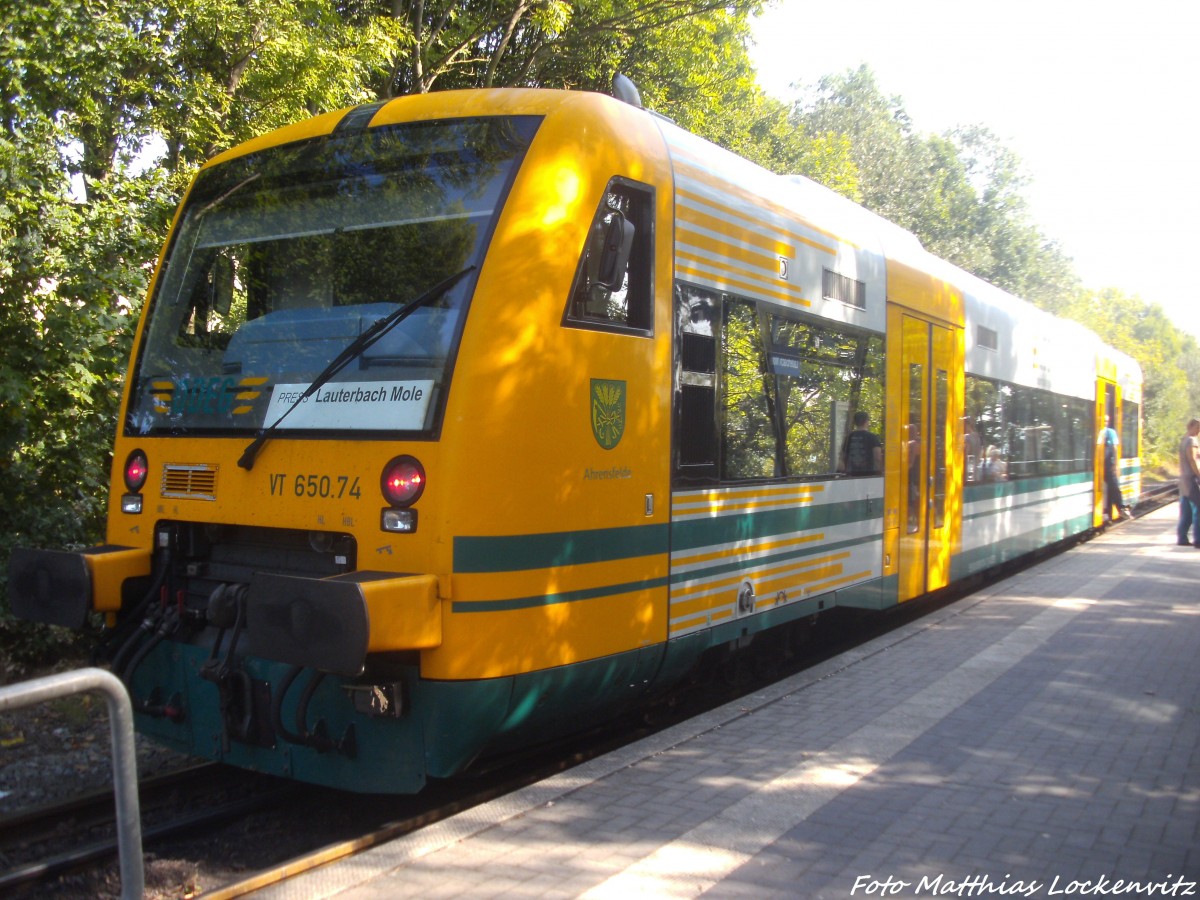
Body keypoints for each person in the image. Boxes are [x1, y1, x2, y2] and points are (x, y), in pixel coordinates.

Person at [1101, 415, 1130, 522]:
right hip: (1100, 466)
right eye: (1104, 420)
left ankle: (1119, 509)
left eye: (1107, 421)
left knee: (1113, 486)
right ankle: (1115, 510)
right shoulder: (1099, 432)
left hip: (1108, 464)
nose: (1105, 422)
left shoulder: (1110, 432)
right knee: (1112, 487)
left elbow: (1115, 448)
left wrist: (1115, 464)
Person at [1178, 418, 1200, 547]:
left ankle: (1182, 537)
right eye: (1197, 427)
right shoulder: (1192, 441)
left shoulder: (1183, 440)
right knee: (1198, 509)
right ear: (1190, 426)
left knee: (1186, 509)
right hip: (1191, 479)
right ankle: (1198, 539)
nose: (1199, 430)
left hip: (1183, 479)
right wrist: (1199, 474)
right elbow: (1192, 460)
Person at [841, 410, 883, 475]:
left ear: (855, 422)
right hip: (868, 476)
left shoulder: (848, 437)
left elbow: (843, 457)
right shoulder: (873, 437)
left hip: (851, 476)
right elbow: (877, 458)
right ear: (866, 421)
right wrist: (880, 473)